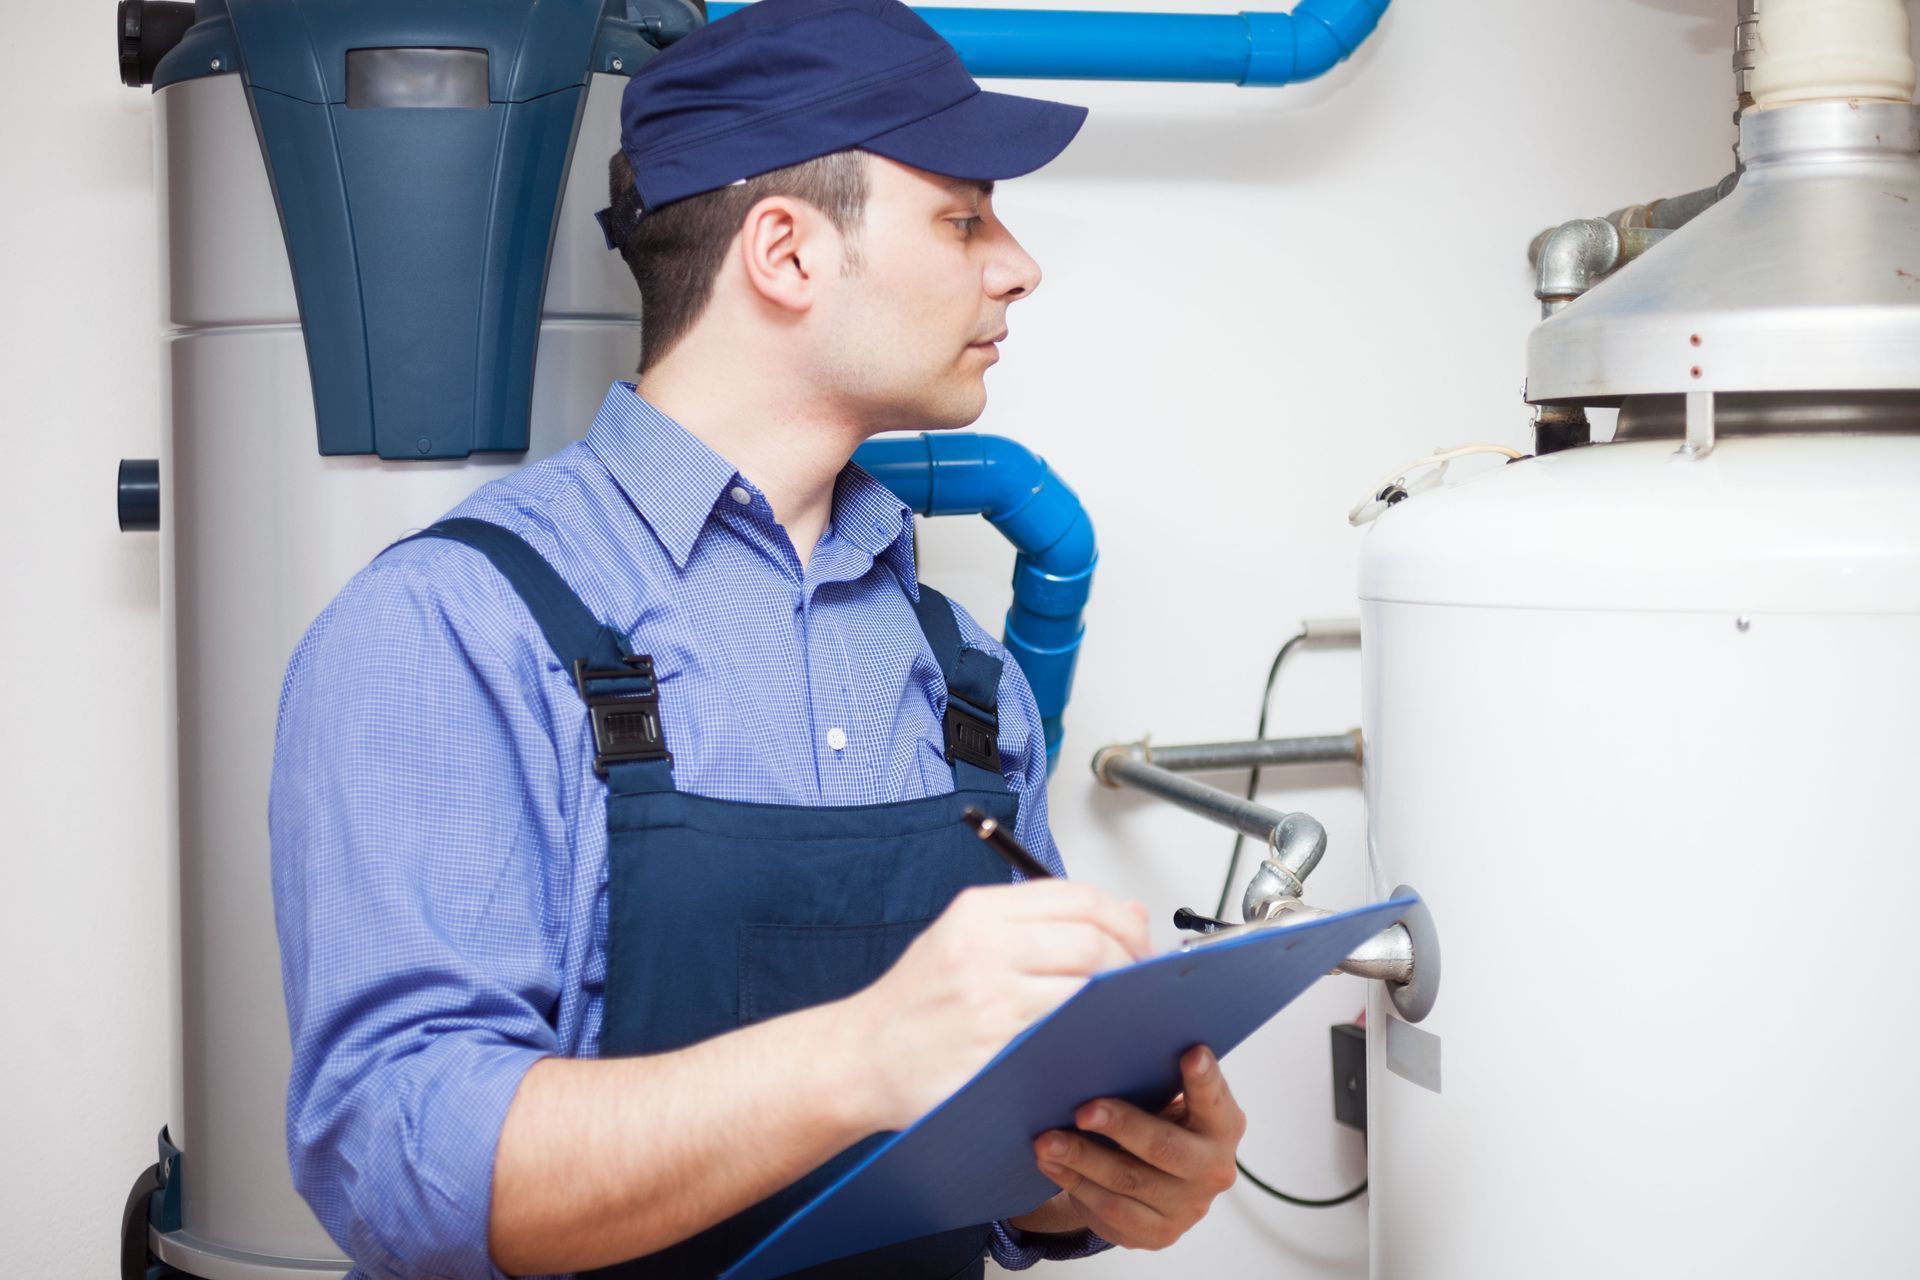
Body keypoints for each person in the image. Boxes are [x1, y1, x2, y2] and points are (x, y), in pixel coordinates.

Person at [269, 0, 1247, 1275]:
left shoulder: (966, 678)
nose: (1016, 264)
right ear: (784, 253)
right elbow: (398, 1162)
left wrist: (1100, 1173)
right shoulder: (452, 626)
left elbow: (1006, 1135)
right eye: (962, 217)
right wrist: (859, 1054)